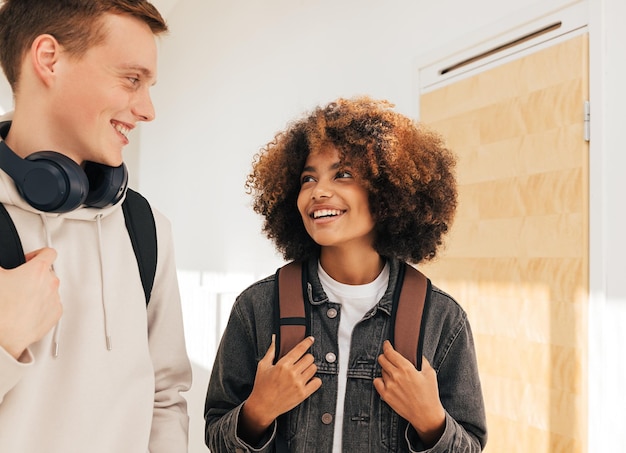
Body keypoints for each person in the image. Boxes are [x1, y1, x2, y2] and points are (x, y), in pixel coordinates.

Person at [204, 96, 487, 452]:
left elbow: (471, 444)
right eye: (308, 178)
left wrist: (430, 420)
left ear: (387, 192)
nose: (319, 191)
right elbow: (216, 435)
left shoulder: (442, 318)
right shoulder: (257, 307)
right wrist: (258, 411)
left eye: (344, 174)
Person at [0, 1, 192, 452]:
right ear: (49, 58)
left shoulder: (146, 228)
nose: (147, 109)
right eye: (131, 79)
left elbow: (166, 399)